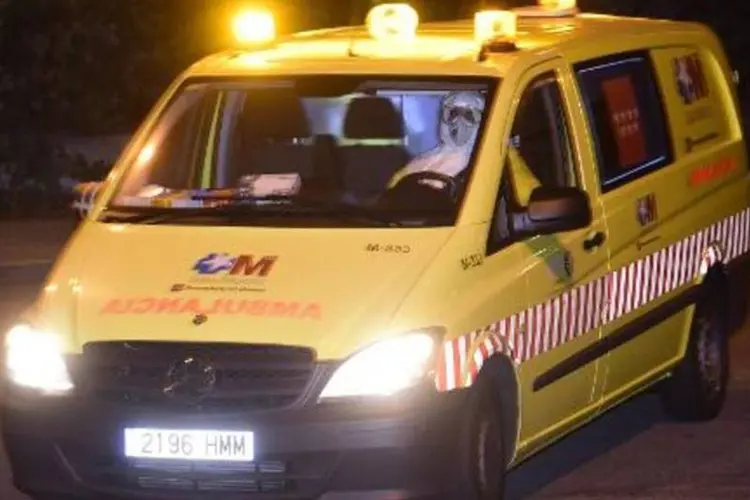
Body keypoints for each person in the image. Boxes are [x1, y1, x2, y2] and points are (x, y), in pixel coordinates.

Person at [387, 90, 485, 190]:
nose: (459, 121)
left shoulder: (485, 165)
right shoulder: (425, 160)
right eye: (453, 113)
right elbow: (393, 191)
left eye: (469, 115)